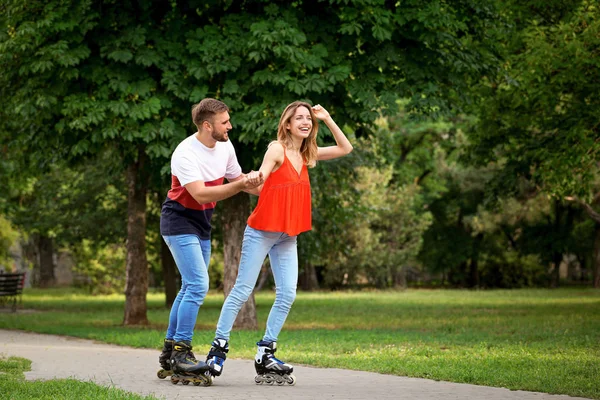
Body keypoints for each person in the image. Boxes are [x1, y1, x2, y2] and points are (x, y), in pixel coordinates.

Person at [205, 101, 353, 385]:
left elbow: (345, 148)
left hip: (287, 235)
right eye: (299, 118)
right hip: (261, 231)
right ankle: (218, 348)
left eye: (308, 118)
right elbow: (262, 177)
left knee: (287, 293)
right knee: (242, 290)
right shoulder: (277, 149)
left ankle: (265, 351)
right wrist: (254, 178)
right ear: (287, 124)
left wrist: (328, 117)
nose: (305, 122)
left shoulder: (307, 154)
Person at [157, 98, 263, 385]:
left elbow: (239, 179)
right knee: (198, 285)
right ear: (207, 125)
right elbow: (201, 194)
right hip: (178, 220)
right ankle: (181, 352)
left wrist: (270, 190)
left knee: (188, 286)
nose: (230, 126)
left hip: (201, 224)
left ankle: (169, 351)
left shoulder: (226, 147)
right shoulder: (185, 152)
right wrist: (241, 184)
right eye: (224, 122)